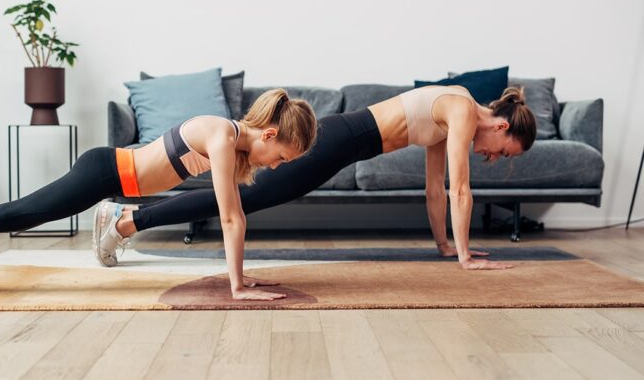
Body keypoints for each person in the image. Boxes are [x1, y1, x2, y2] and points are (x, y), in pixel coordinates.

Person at [0, 89, 317, 301]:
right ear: (270, 133)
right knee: (15, 214)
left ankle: (115, 221)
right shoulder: (221, 137)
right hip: (105, 171)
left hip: (116, 181)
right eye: (280, 157)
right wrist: (237, 286)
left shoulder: (233, 145)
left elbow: (228, 210)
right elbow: (233, 217)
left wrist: (240, 277)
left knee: (17, 213)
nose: (275, 166)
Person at [97, 85, 536, 271]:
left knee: (238, 197)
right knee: (239, 198)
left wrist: (445, 246)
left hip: (343, 144)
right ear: (501, 126)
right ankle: (125, 222)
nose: (492, 158)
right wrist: (464, 259)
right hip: (340, 139)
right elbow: (461, 189)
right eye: (503, 152)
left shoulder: (454, 108)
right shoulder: (460, 109)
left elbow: (435, 188)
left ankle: (128, 221)